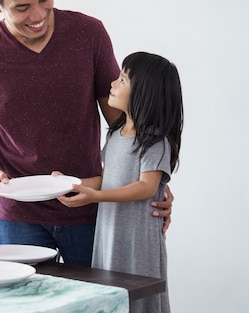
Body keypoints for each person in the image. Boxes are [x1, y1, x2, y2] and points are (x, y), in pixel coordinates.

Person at [0, 0, 173, 266]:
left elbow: (124, 124)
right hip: (17, 215)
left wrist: (152, 185)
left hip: (91, 206)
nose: (38, 15)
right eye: (22, 8)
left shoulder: (89, 34)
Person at [56, 51, 183, 312]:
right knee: (110, 295)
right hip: (110, 234)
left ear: (145, 94)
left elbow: (145, 187)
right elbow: (107, 179)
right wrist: (70, 183)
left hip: (138, 240)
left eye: (122, 80)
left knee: (139, 297)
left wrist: (95, 198)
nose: (112, 84)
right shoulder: (116, 135)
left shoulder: (156, 142)